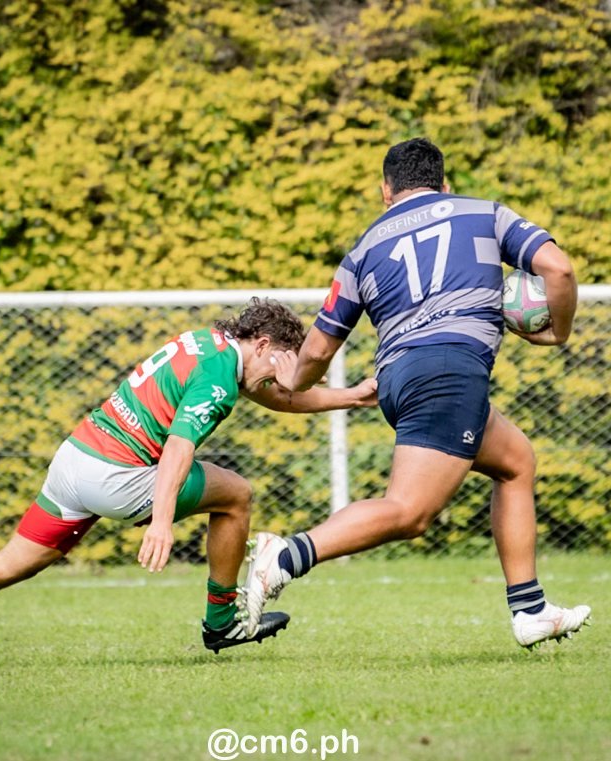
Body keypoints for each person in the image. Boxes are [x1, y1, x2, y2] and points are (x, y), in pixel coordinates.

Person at [0, 298, 378, 669]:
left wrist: (351, 396)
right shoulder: (223, 376)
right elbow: (179, 447)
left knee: (12, 561)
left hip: (76, 459)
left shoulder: (211, 345)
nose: (280, 376)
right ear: (263, 343)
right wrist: (160, 523)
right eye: (279, 364)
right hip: (117, 476)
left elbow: (274, 395)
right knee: (237, 496)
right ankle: (221, 622)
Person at [242, 138, 591, 649]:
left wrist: (294, 383)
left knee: (515, 461)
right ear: (444, 183)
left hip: (400, 377)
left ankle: (530, 608)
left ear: (387, 191)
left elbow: (317, 348)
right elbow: (557, 269)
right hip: (450, 371)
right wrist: (557, 332)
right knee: (410, 512)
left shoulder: (363, 250)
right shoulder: (485, 214)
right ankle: (285, 557)